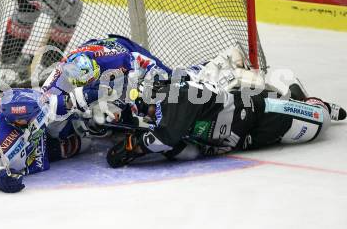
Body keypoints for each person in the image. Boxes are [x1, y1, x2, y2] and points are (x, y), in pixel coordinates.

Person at [106, 78, 346, 168]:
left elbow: (165, 136)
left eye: (144, 107)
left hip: (264, 113)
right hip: (251, 136)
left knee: (319, 122)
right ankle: (295, 95)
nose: (148, 116)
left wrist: (132, 146)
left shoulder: (177, 94)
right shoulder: (166, 114)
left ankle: (315, 102)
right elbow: (188, 152)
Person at [0, 86, 103, 193]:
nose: (40, 111)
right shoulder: (0, 142)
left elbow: (59, 103)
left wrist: (93, 93)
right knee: (85, 143)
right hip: (37, 157)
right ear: (20, 120)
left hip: (39, 139)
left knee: (74, 125)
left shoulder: (29, 108)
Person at [41, 34, 172, 97]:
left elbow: (139, 59)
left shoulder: (111, 60)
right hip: (92, 49)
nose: (90, 82)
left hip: (123, 46)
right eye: (85, 82)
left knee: (166, 75)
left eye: (93, 78)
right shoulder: (59, 74)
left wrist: (157, 74)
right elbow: (43, 99)